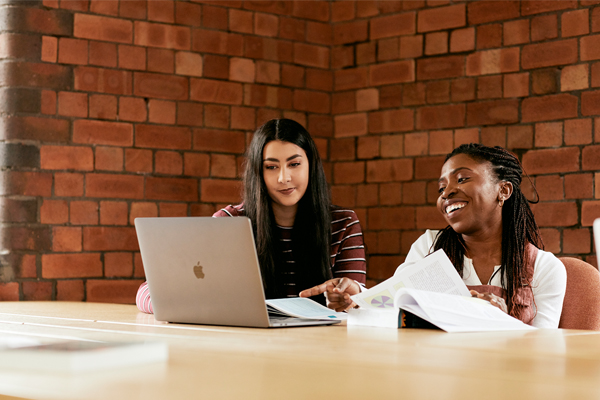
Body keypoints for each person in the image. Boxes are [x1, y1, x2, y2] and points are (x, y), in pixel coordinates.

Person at [301, 143, 566, 329]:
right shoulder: (429, 245)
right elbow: (396, 305)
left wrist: (499, 320)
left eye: (462, 179)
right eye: (442, 187)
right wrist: (356, 297)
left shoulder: (545, 268)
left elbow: (544, 347)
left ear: (504, 190)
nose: (447, 193)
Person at [136, 118, 366, 313]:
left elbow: (357, 301)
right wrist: (185, 300)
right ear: (258, 172)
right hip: (248, 347)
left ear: (311, 165)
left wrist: (352, 298)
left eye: (294, 164)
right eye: (271, 167)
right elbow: (146, 291)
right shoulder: (230, 222)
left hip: (323, 349)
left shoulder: (343, 223)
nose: (283, 178)